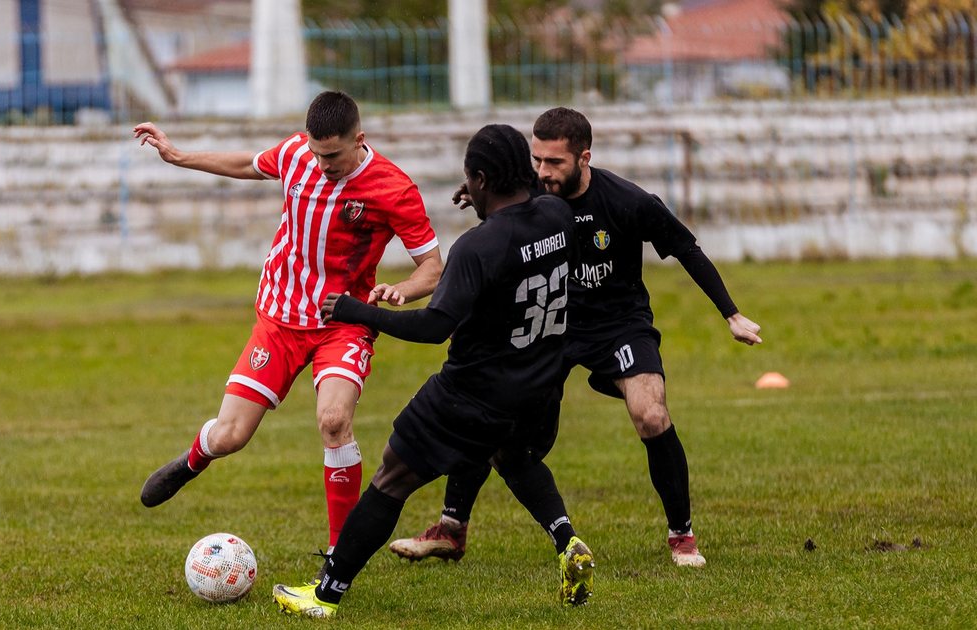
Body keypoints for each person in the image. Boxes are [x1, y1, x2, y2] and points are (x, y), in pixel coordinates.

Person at [389, 107, 762, 568]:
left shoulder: (627, 201)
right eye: (537, 161)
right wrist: (482, 191)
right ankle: (451, 529)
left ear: (584, 158)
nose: (543, 172)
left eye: (554, 163)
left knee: (650, 412)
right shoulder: (535, 194)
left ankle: (682, 536)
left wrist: (731, 314)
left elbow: (685, 246)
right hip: (552, 324)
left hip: (619, 324)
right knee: (491, 412)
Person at [273, 124, 594, 619]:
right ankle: (568, 541)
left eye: (473, 181)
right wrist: (489, 192)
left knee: (391, 478)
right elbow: (526, 208)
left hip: (471, 393)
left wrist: (359, 312)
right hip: (539, 386)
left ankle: (326, 593)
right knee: (513, 456)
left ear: (482, 179)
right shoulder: (557, 215)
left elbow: (434, 327)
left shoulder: (476, 248)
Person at [132, 91, 443, 556]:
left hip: (344, 320)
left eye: (333, 155)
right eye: (317, 154)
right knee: (230, 435)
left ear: (360, 139)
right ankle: (195, 457)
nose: (322, 165)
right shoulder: (298, 153)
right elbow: (246, 164)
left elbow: (432, 267)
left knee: (334, 421)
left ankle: (341, 555)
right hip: (280, 318)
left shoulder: (393, 188)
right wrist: (179, 156)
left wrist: (402, 290)